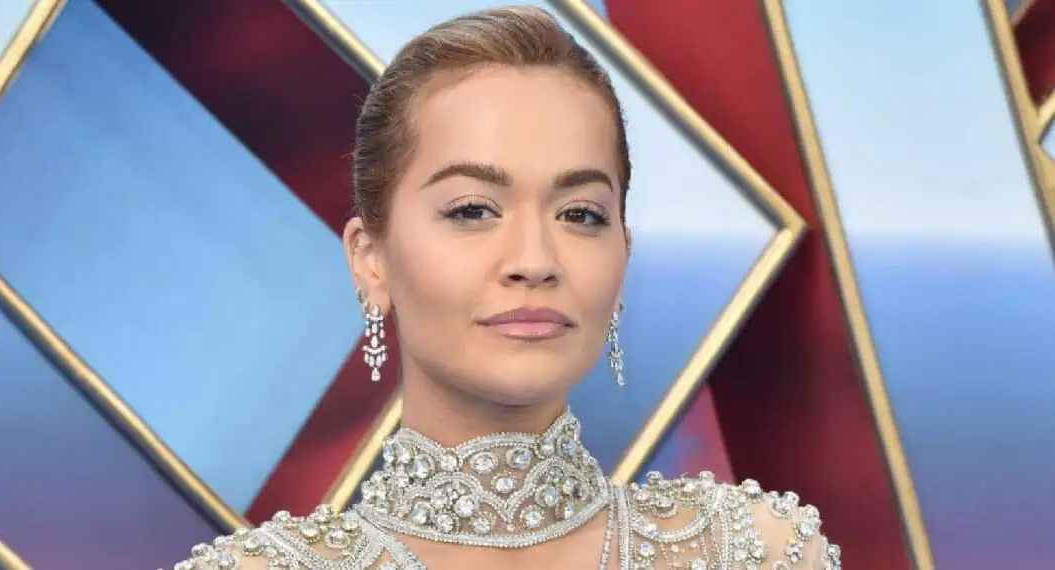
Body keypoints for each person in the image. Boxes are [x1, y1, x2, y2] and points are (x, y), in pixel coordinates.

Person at [169, 6, 840, 570]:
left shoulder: (750, 550)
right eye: (473, 210)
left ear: (622, 256)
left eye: (580, 214)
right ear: (371, 260)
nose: (534, 260)